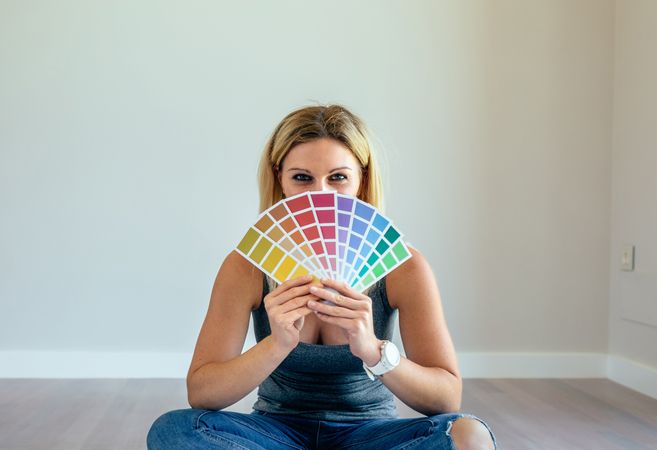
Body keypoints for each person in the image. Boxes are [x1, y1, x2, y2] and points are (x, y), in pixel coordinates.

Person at [147, 105, 497, 449]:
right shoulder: (247, 266)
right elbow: (202, 392)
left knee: (468, 436)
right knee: (175, 429)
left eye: (338, 177)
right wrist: (276, 344)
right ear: (280, 178)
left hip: (370, 435)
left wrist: (374, 351)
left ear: (361, 181)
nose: (320, 194)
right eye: (302, 178)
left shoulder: (404, 267)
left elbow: (446, 397)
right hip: (274, 434)